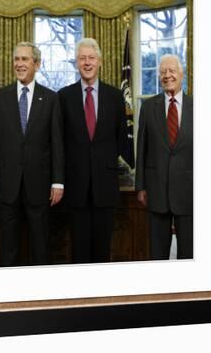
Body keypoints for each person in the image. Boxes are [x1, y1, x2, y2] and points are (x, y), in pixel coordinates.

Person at [0, 42, 64, 266]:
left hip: (39, 185)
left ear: (36, 64)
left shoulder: (51, 98)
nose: (19, 64)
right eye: (16, 59)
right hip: (6, 186)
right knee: (8, 246)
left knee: (41, 245)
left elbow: (57, 143)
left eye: (25, 59)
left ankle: (41, 296)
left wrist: (58, 182)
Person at [58, 37, 130, 263]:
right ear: (76, 63)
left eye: (91, 58)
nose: (87, 63)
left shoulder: (115, 96)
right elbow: (59, 141)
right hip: (76, 186)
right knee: (78, 249)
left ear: (99, 61)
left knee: (102, 248)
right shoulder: (64, 96)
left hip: (105, 185)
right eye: (82, 58)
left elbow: (122, 139)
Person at [135, 54, 193, 260]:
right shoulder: (149, 107)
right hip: (156, 190)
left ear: (182, 74)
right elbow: (142, 148)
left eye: (172, 71)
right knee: (158, 252)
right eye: (163, 72)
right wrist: (140, 185)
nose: (167, 75)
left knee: (189, 253)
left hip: (189, 191)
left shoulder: (197, 107)